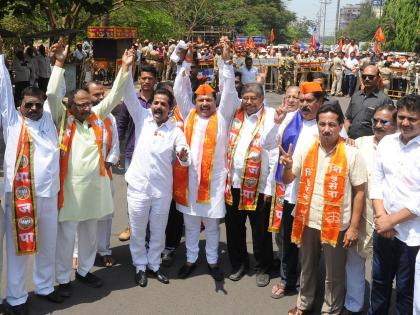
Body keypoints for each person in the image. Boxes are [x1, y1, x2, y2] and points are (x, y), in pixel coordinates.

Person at [47, 43, 134, 297]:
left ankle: (84, 272)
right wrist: (59, 64)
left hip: (94, 189)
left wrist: (125, 68)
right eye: (81, 105)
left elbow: (115, 96)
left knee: (89, 236)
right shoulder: (61, 120)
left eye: (88, 104)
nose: (87, 108)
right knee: (65, 239)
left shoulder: (96, 116)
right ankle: (63, 279)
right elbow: (52, 95)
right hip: (70, 192)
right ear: (70, 106)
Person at [262, 82, 348, 300]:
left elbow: (345, 152)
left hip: (319, 196)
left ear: (320, 102)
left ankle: (311, 284)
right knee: (289, 240)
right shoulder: (290, 119)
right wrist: (275, 124)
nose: (304, 104)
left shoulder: (329, 124)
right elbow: (269, 144)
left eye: (309, 100)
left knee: (315, 245)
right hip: (292, 192)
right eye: (301, 100)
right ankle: (287, 280)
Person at [281, 103, 366, 315]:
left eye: (331, 124)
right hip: (308, 219)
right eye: (322, 124)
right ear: (317, 125)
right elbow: (288, 179)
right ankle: (304, 304)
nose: (326, 129)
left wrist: (354, 227)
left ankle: (331, 309)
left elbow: (360, 192)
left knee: (334, 272)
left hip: (337, 224)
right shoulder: (307, 148)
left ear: (340, 126)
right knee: (307, 266)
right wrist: (288, 165)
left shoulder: (351, 154)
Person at [0, 42, 65, 314]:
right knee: (18, 251)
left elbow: (55, 92)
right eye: (30, 105)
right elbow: (4, 92)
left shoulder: (49, 120)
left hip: (48, 195)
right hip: (19, 197)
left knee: (48, 245)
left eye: (38, 104)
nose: (35, 108)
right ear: (20, 106)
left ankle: (44, 287)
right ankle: (16, 298)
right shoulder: (13, 123)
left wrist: (59, 63)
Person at [173, 38, 240, 281]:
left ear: (215, 102)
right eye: (200, 100)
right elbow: (179, 90)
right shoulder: (188, 113)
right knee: (190, 224)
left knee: (212, 225)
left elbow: (230, 90)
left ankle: (212, 261)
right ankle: (191, 259)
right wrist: (187, 62)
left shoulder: (223, 115)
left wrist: (226, 61)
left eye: (208, 100)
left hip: (212, 183)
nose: (203, 103)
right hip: (190, 180)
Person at [123, 63, 191, 287]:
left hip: (162, 191)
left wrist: (182, 155)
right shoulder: (142, 118)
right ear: (151, 104)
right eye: (156, 103)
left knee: (158, 232)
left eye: (163, 104)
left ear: (170, 108)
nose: (158, 106)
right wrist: (126, 68)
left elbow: (185, 157)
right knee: (138, 230)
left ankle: (154, 265)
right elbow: (128, 94)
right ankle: (140, 266)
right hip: (138, 188)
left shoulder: (175, 131)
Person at [343, 104, 398, 314]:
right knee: (354, 264)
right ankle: (353, 305)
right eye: (375, 121)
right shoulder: (359, 143)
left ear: (395, 125)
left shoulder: (400, 147)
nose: (378, 125)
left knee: (380, 271)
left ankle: (375, 309)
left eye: (384, 122)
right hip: (358, 217)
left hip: (386, 221)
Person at [369, 95, 420, 315]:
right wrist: (382, 217)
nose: (405, 123)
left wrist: (393, 220)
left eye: (413, 118)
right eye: (402, 117)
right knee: (379, 283)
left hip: (411, 236)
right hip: (383, 229)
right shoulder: (388, 142)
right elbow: (376, 180)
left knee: (406, 290)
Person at [224, 82, 278, 287]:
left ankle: (263, 267)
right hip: (234, 184)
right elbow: (227, 90)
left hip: (258, 186)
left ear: (262, 99)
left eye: (253, 98)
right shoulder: (234, 115)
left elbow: (273, 154)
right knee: (234, 228)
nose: (248, 102)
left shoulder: (271, 117)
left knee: (260, 230)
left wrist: (270, 186)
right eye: (245, 98)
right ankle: (238, 264)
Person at [117, 65, 157, 242]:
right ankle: (132, 225)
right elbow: (121, 126)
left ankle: (152, 228)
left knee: (154, 193)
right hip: (132, 153)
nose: (146, 81)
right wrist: (117, 151)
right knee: (133, 193)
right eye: (143, 78)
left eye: (150, 78)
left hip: (156, 156)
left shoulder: (160, 100)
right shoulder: (131, 101)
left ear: (155, 80)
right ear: (139, 80)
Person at [85, 81, 120, 267]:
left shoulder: (110, 118)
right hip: (83, 177)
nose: (100, 98)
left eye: (102, 94)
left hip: (105, 174)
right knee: (83, 216)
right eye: (95, 94)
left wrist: (108, 163)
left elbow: (115, 146)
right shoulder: (81, 117)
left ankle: (104, 250)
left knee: (105, 215)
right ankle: (78, 253)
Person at [345, 65, 393, 139]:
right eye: (364, 76)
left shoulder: (384, 100)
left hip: (371, 144)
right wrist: (345, 136)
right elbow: (348, 119)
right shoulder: (356, 96)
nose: (367, 79)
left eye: (371, 77)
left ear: (378, 78)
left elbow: (389, 126)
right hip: (351, 141)